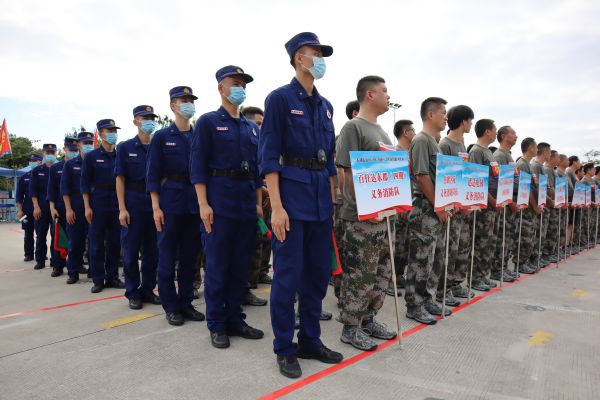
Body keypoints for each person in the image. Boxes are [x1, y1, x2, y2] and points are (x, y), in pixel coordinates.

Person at [259, 32, 343, 379]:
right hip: (291, 202)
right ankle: (285, 347)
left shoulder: (325, 106)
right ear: (298, 58)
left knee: (317, 276)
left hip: (320, 202)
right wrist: (277, 208)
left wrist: (333, 200)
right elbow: (268, 157)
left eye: (322, 54)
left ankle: (310, 339)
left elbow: (329, 159)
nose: (320, 59)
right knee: (288, 277)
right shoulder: (279, 99)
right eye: (315, 53)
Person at [191, 65, 265, 349]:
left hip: (245, 204)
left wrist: (257, 204)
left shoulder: (251, 127)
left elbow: (256, 170)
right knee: (217, 266)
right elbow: (198, 166)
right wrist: (203, 204)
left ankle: (236, 318)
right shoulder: (208, 122)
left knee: (240, 265)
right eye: (234, 83)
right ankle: (217, 323)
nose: (240, 88)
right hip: (219, 203)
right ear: (221, 88)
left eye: (243, 84)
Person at [335, 75, 398, 352]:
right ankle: (351, 327)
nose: (388, 96)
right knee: (360, 273)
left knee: (381, 272)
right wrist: (365, 208)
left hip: (383, 215)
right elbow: (347, 173)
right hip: (362, 218)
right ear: (370, 95)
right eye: (384, 91)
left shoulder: (382, 132)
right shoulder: (353, 127)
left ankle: (369, 320)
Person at [147, 86, 205, 326]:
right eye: (184, 100)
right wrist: (156, 207)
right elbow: (153, 174)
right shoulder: (162, 136)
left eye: (191, 100)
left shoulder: (199, 134)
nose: (189, 104)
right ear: (173, 106)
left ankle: (186, 302)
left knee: (190, 259)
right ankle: (171, 306)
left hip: (194, 204)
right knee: (167, 259)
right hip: (170, 204)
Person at [404, 97, 450, 325]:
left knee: (435, 258)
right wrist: (438, 205)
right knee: (421, 259)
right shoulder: (422, 140)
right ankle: (414, 305)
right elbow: (422, 177)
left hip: (435, 208)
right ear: (431, 115)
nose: (446, 117)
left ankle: (427, 298)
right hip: (425, 207)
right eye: (443, 113)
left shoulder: (434, 143)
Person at [115, 105, 161, 309]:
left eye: (151, 117)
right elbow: (120, 179)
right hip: (133, 204)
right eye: (145, 118)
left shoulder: (158, 144)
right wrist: (122, 208)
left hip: (155, 204)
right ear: (136, 122)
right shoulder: (125, 147)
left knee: (152, 252)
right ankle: (133, 291)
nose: (149, 121)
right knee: (131, 252)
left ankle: (148, 289)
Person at [436, 105, 475, 303]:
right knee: (448, 252)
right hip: (450, 208)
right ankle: (442, 290)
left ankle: (454, 284)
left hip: (461, 208)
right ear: (463, 121)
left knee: (460, 248)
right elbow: (444, 178)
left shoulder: (461, 146)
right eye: (470, 120)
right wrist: (451, 203)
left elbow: (464, 176)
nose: (471, 124)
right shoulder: (445, 145)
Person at [81, 119, 123, 293]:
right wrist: (87, 207)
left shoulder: (120, 154)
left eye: (114, 130)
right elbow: (85, 184)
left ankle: (113, 276)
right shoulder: (91, 157)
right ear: (100, 134)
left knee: (115, 242)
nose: (113, 133)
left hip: (117, 203)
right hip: (98, 203)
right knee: (96, 243)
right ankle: (98, 279)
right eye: (109, 130)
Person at [242, 105, 271, 307]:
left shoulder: (261, 145)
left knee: (259, 241)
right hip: (241, 200)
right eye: (257, 124)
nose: (260, 128)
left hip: (259, 200)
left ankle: (252, 282)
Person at [468, 119, 499, 290]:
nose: (496, 132)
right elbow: (476, 182)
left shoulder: (488, 152)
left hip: (491, 206)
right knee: (480, 243)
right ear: (487, 131)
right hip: (482, 206)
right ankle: (475, 278)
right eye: (494, 129)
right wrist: (492, 200)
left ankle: (483, 275)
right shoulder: (476, 151)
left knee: (487, 243)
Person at [386, 119, 415, 297]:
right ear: (405, 133)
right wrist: (401, 205)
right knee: (395, 244)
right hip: (399, 207)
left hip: (410, 204)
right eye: (412, 130)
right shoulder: (395, 153)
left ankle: (398, 275)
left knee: (405, 244)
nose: (414, 133)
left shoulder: (411, 153)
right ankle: (390, 279)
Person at [61, 132, 94, 284]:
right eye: (85, 143)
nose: (88, 145)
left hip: (94, 208)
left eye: (90, 143)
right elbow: (65, 189)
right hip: (76, 208)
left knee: (94, 242)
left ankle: (94, 271)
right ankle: (73, 272)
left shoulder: (95, 162)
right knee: (75, 243)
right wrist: (68, 209)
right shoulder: (70, 165)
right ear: (79, 144)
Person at [47, 136, 79, 277]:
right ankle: (58, 266)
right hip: (60, 208)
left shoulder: (82, 164)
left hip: (77, 207)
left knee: (76, 239)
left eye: (75, 150)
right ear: (64, 149)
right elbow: (51, 190)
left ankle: (76, 265)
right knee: (59, 237)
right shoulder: (56, 168)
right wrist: (52, 207)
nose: (73, 152)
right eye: (71, 149)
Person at [491, 126, 519, 282]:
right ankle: (497, 269)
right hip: (504, 203)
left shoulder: (508, 155)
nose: (516, 136)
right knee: (501, 238)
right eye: (513, 133)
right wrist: (509, 202)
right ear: (503, 136)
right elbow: (500, 183)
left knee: (507, 237)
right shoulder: (499, 156)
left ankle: (502, 267)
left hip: (510, 203)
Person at [29, 144, 58, 270]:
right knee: (41, 235)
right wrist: (36, 207)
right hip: (41, 208)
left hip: (56, 208)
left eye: (52, 152)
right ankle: (40, 260)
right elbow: (33, 191)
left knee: (55, 235)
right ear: (43, 154)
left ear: (56, 153)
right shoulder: (37, 171)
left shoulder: (59, 168)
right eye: (48, 152)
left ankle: (55, 261)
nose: (50, 155)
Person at [513, 137, 539, 273]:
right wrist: (534, 205)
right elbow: (525, 188)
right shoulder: (522, 164)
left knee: (529, 236)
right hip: (525, 207)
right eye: (535, 147)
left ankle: (525, 261)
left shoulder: (529, 165)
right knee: (524, 236)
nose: (537, 149)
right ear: (530, 148)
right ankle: (520, 263)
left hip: (530, 208)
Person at [16, 154, 42, 262]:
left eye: (34, 160)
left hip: (41, 208)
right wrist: (19, 210)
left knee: (40, 233)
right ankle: (29, 254)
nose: (32, 162)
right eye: (30, 161)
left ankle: (40, 254)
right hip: (26, 209)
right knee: (28, 233)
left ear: (40, 161)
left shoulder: (44, 174)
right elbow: (19, 195)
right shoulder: (24, 177)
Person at [529, 142, 550, 267]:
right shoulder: (535, 166)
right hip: (535, 205)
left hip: (541, 203)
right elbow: (533, 188)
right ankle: (533, 258)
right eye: (549, 152)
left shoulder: (540, 167)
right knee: (535, 234)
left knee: (541, 233)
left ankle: (537, 256)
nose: (550, 155)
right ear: (545, 152)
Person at [541, 150, 560, 263]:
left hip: (554, 203)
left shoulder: (552, 170)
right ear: (551, 158)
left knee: (553, 229)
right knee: (548, 230)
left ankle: (549, 252)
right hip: (549, 203)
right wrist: (554, 199)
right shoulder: (547, 170)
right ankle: (545, 253)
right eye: (557, 157)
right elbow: (550, 188)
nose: (559, 160)